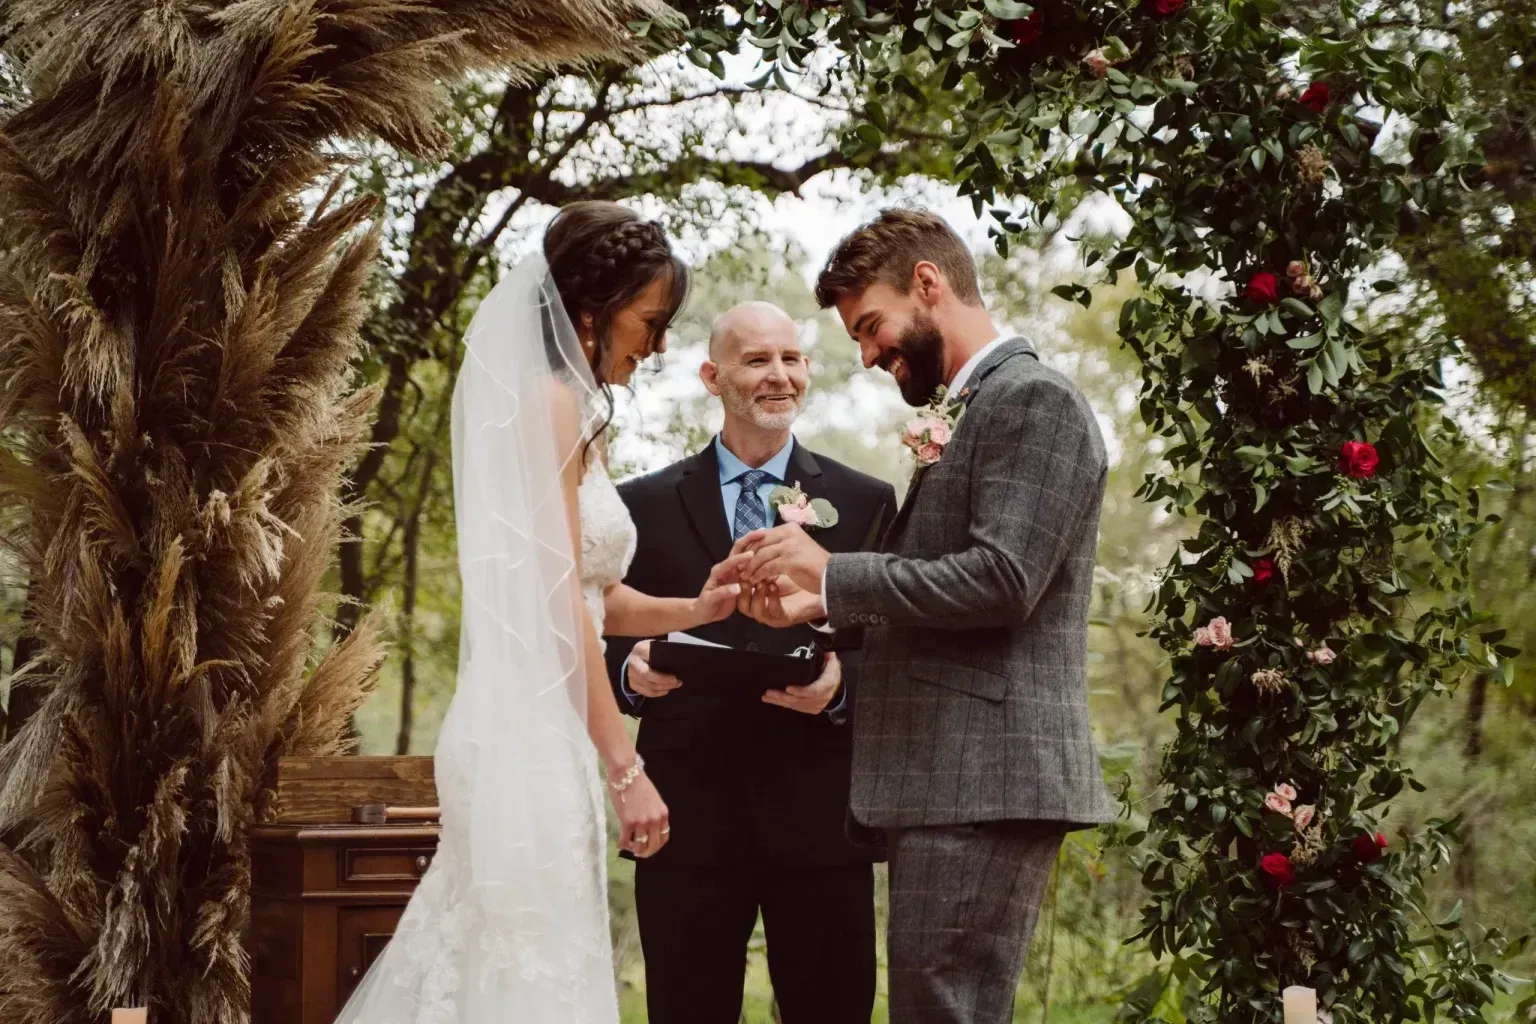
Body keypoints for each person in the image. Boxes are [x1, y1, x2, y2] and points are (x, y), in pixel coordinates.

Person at [333, 201, 744, 1024]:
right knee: (525, 962)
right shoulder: (550, 405)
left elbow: (593, 597)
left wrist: (696, 605)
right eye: (649, 322)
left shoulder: (576, 418)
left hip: (544, 724)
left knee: (531, 956)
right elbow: (559, 608)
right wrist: (625, 767)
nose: (657, 345)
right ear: (591, 311)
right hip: (526, 726)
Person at [735, 209, 1115, 1024]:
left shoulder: (1033, 400)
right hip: (951, 782)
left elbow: (1004, 582)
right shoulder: (978, 406)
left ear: (928, 283)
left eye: (870, 326)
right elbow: (950, 584)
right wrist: (825, 611)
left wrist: (836, 574)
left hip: (982, 779)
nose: (868, 354)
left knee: (944, 1013)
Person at [604, 301, 896, 1023]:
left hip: (822, 818)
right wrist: (629, 673)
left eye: (792, 359)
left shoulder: (865, 502)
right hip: (685, 819)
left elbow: (897, 642)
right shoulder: (640, 505)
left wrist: (839, 685)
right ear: (713, 376)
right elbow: (603, 629)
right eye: (757, 360)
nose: (779, 376)